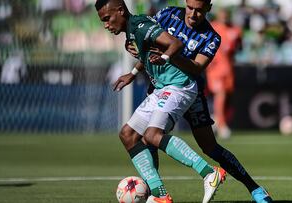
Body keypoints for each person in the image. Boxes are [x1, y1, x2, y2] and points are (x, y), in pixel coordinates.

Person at [116, 0, 273, 202]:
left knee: (210, 147)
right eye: (190, 8)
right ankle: (156, 193)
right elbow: (149, 44)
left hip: (189, 91)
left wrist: (168, 56)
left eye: (199, 10)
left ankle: (255, 189)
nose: (193, 14)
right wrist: (134, 70)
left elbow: (196, 68)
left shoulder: (211, 37)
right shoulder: (167, 14)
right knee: (147, 139)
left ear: (208, 8)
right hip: (161, 87)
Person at [95, 0, 226, 203]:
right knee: (128, 135)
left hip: (179, 85)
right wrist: (133, 73)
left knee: (152, 135)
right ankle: (160, 195)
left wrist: (164, 57)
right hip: (163, 87)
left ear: (120, 11)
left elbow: (176, 43)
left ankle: (209, 173)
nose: (106, 24)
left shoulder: (140, 26)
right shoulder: (133, 30)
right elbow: (149, 52)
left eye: (107, 19)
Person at [206, 8, 242, 139]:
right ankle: (221, 126)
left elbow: (238, 48)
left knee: (228, 98)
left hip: (228, 69)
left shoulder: (235, 30)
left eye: (226, 14)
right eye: (222, 14)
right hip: (215, 69)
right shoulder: (212, 27)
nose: (224, 16)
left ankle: (216, 120)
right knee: (220, 95)